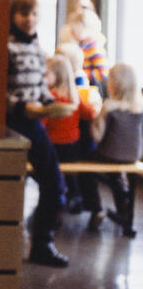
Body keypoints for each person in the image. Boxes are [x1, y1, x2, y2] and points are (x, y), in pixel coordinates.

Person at [0, 0, 73, 267]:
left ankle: (42, 244)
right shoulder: (0, 48)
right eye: (24, 13)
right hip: (10, 124)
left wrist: (54, 104)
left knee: (56, 185)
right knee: (2, 188)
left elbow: (40, 90)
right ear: (12, 16)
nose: (30, 19)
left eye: (34, 13)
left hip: (34, 123)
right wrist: (23, 107)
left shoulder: (38, 48)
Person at [80, 63, 143, 234]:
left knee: (84, 170)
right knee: (116, 174)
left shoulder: (109, 106)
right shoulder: (139, 107)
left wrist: (93, 118)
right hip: (133, 155)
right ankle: (124, 212)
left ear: (114, 83)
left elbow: (97, 137)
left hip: (108, 153)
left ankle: (96, 209)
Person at [43, 55, 97, 215]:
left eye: (47, 74)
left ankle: (56, 199)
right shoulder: (75, 97)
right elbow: (89, 115)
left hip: (54, 150)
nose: (43, 77)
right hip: (73, 150)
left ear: (57, 76)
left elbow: (42, 124)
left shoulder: (50, 98)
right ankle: (75, 196)